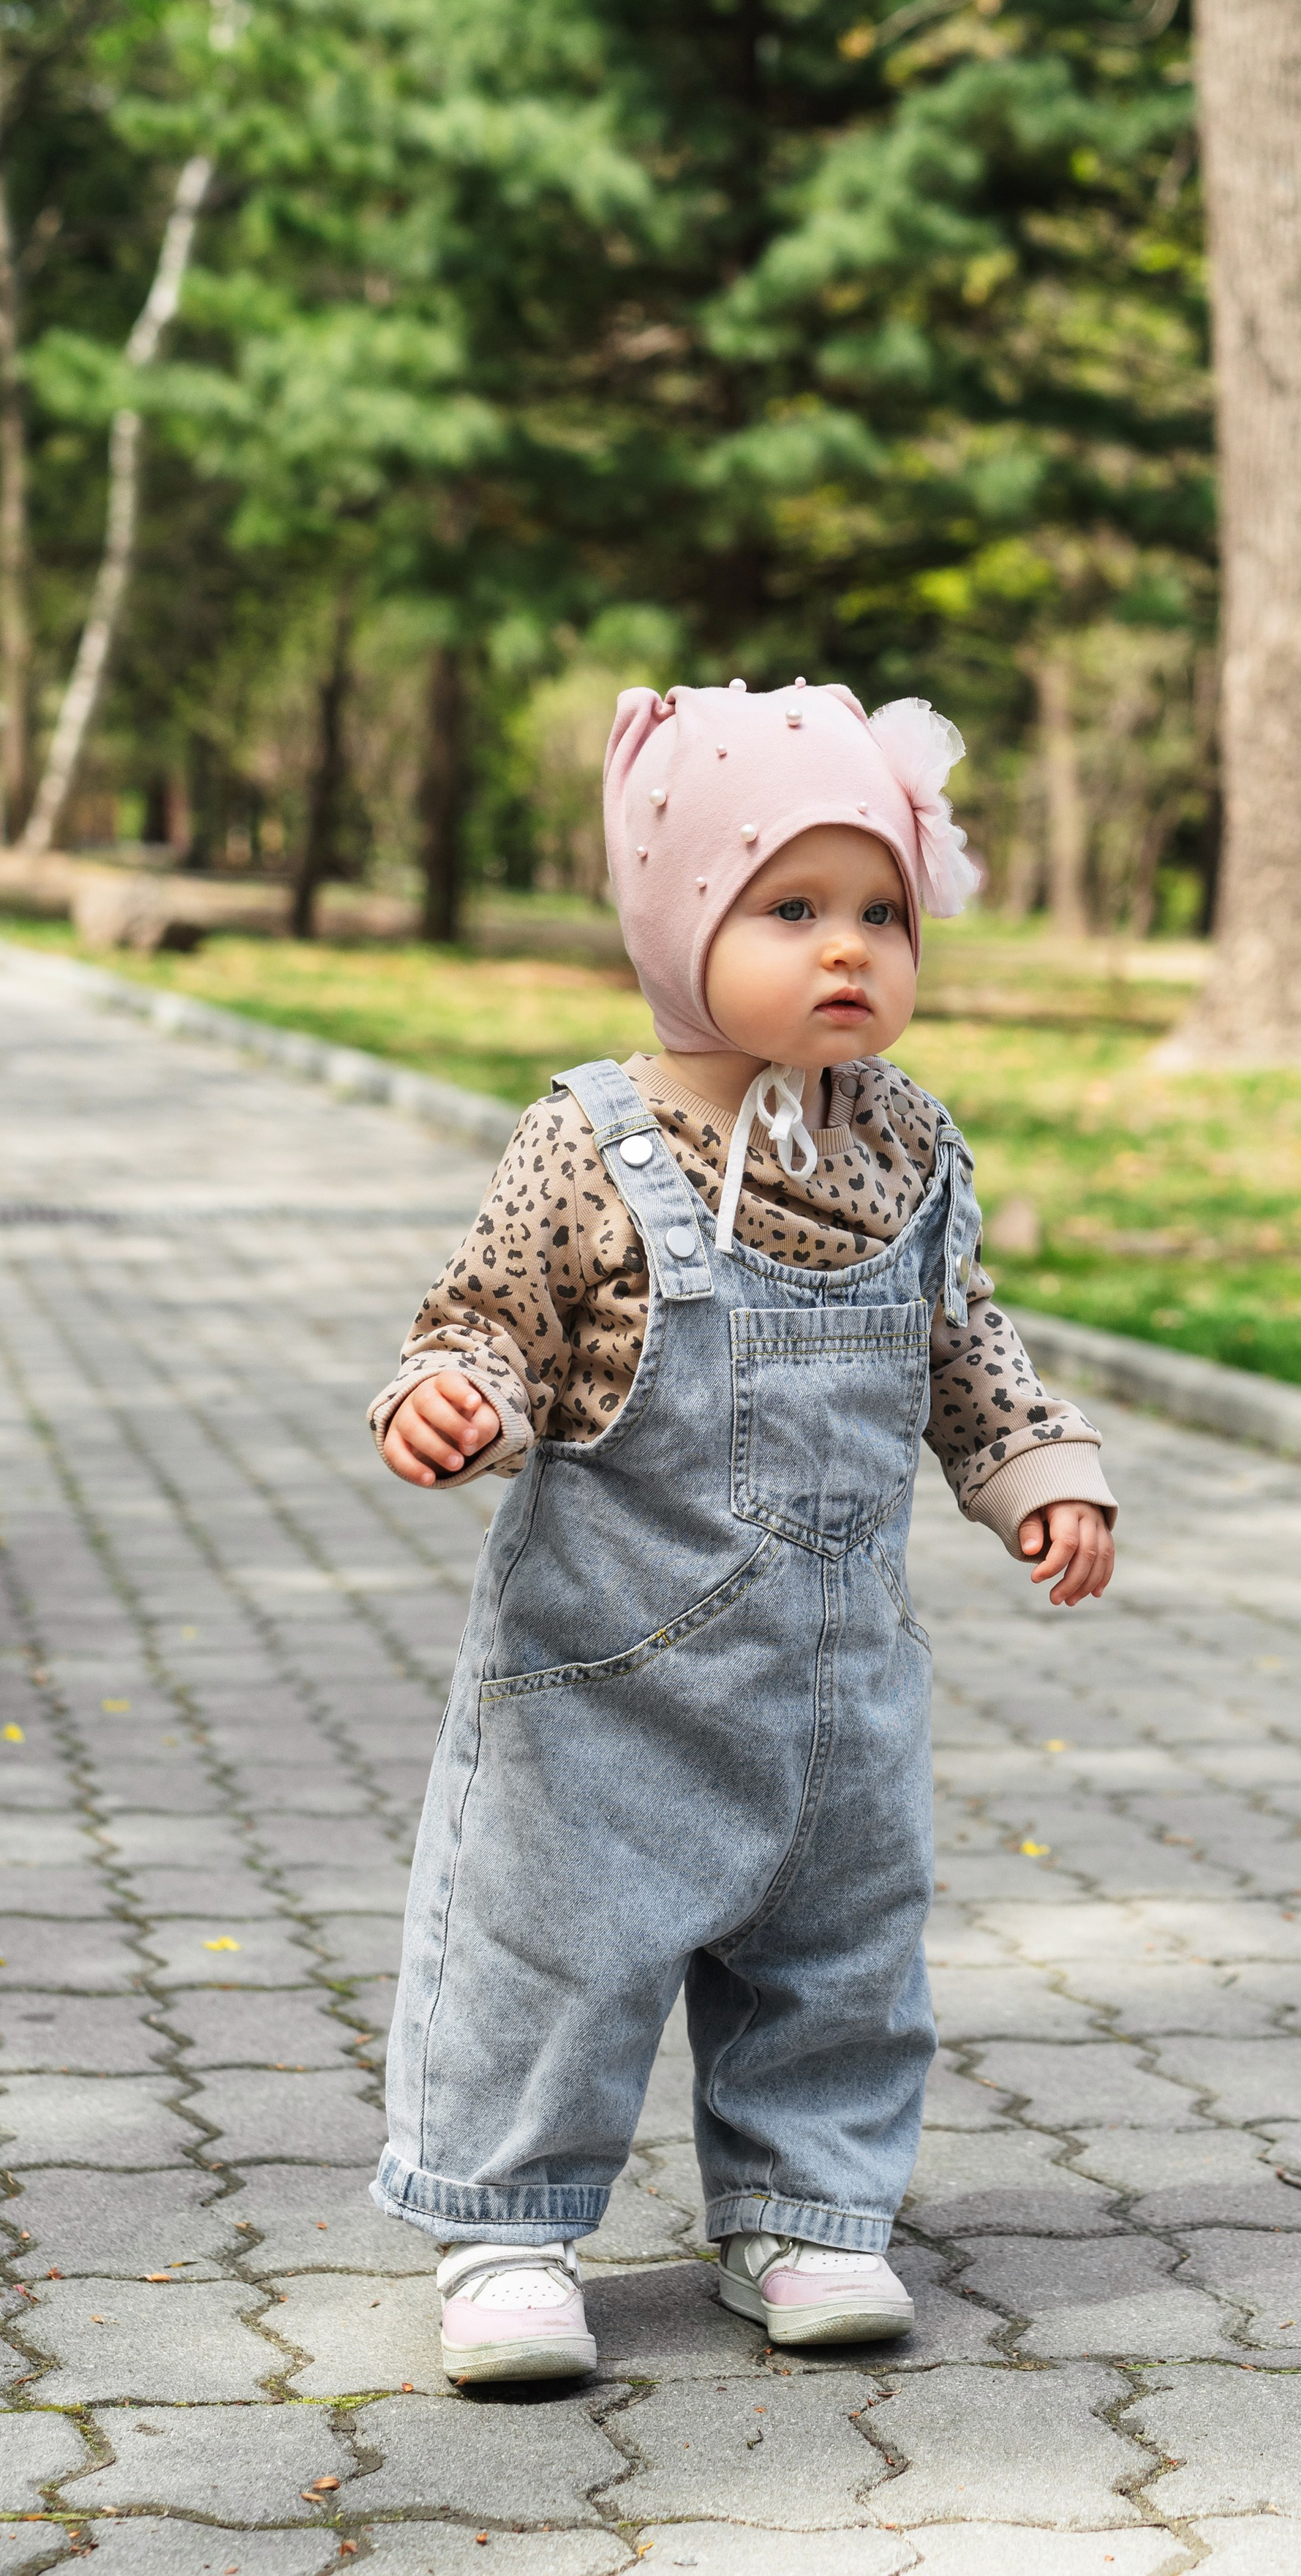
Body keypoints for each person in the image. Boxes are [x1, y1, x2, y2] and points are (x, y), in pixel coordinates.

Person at [366, 678, 1117, 2384]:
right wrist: (460, 1396)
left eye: (880, 914)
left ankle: (806, 2213)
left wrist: (1034, 1465)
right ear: (675, 916)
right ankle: (505, 2228)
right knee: (551, 1944)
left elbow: (962, 1337)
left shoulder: (907, 1145)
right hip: (608, 1683)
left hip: (839, 1688)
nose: (847, 950)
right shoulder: (592, 1142)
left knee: (841, 1958)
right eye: (790, 910)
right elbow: (491, 1312)